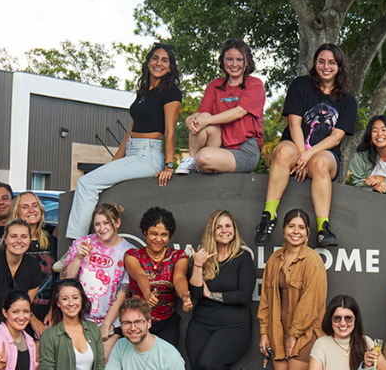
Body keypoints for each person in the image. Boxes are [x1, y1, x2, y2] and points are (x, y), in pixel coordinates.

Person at [66, 43, 183, 239]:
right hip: (132, 152)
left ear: (170, 67)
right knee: (95, 182)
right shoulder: (143, 93)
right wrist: (113, 164)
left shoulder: (171, 92)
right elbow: (130, 131)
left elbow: (170, 131)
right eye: (155, 58)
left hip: (148, 155)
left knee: (86, 183)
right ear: (148, 62)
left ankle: (75, 246)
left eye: (165, 60)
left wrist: (169, 166)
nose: (159, 63)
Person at [254, 43, 358, 248]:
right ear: (315, 63)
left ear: (339, 66)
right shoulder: (300, 85)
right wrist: (302, 155)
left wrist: (308, 156)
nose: (326, 66)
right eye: (321, 61)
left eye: (332, 62)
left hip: (325, 156)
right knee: (283, 151)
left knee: (319, 162)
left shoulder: (348, 100)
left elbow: (337, 137)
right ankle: (268, 217)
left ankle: (323, 228)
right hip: (296, 149)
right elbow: (294, 123)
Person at [184, 210, 256, 370]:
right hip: (201, 324)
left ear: (234, 229)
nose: (225, 230)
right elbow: (194, 294)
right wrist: (198, 265)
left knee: (208, 364)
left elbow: (243, 296)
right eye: (219, 227)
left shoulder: (243, 258)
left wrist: (211, 295)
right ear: (211, 231)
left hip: (234, 326)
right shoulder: (202, 257)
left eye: (228, 226)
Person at [258, 209, 328, 370]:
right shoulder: (275, 259)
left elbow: (313, 303)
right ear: (283, 229)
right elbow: (266, 298)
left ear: (308, 232)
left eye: (301, 227)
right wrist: (265, 331)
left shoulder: (313, 262)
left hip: (307, 330)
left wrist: (295, 334)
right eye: (291, 226)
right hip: (278, 329)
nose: (295, 231)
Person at [57, 203, 134, 359]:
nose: (101, 228)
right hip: (78, 319)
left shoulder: (128, 252)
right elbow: (64, 278)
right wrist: (78, 258)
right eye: (97, 224)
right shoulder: (83, 243)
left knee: (101, 368)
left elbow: (122, 293)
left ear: (117, 223)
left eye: (106, 223)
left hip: (109, 322)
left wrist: (106, 325)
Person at [178, 38, 265, 174]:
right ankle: (191, 160)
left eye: (239, 60)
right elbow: (201, 113)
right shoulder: (215, 85)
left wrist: (206, 120)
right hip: (219, 143)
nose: (234, 64)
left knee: (204, 157)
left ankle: (196, 161)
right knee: (202, 117)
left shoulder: (255, 85)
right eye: (229, 59)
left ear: (246, 62)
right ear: (223, 61)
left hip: (244, 149)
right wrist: (189, 119)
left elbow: (238, 112)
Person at [123, 207, 191, 346]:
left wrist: (185, 296)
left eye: (164, 235)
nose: (158, 239)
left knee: (165, 364)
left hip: (167, 324)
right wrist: (147, 294)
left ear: (169, 235)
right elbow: (140, 275)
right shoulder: (132, 255)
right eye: (154, 234)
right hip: (137, 323)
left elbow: (179, 278)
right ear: (145, 232)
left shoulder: (178, 256)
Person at [0, 220, 46, 343]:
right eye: (13, 236)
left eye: (24, 236)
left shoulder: (33, 266)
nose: (19, 241)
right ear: (5, 239)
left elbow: (24, 306)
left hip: (16, 325)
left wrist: (34, 321)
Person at [10, 191, 60, 325]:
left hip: (49, 315)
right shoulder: (12, 244)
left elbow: (57, 280)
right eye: (25, 207)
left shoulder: (52, 241)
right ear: (17, 212)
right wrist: (32, 319)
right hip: (20, 317)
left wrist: (53, 311)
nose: (31, 210)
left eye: (35, 205)